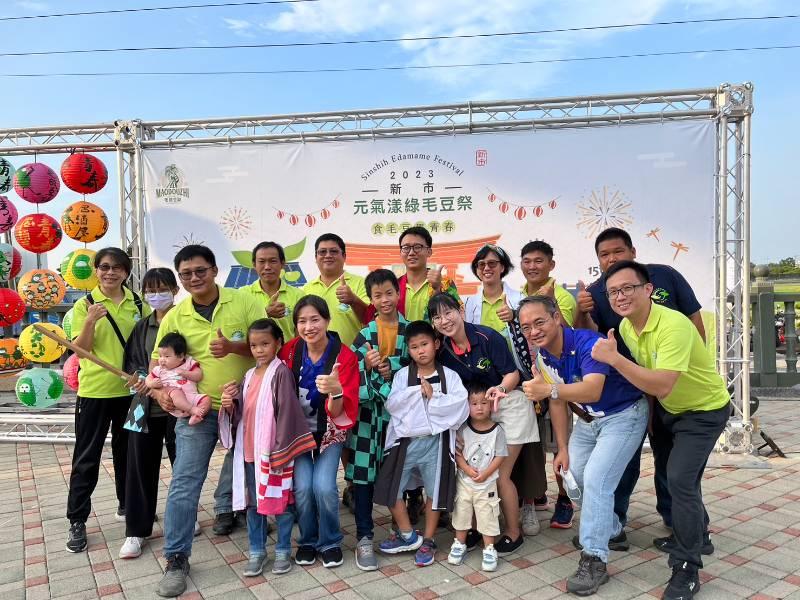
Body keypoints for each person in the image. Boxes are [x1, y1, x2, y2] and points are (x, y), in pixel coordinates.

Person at [590, 260, 729, 600]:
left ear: (648, 290)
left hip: (704, 411)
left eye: (628, 288)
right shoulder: (625, 328)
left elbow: (663, 384)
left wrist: (615, 360)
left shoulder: (674, 325)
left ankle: (686, 568)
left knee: (680, 479)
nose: (620, 296)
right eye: (613, 292)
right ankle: (699, 536)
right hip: (671, 412)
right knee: (680, 477)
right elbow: (650, 382)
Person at [574, 227, 706, 532]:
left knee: (671, 457)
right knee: (624, 459)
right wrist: (582, 312)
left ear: (633, 252)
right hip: (628, 390)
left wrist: (684, 368)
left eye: (617, 251)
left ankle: (680, 522)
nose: (611, 259)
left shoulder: (665, 276)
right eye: (604, 255)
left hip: (672, 384)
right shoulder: (595, 292)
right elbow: (591, 341)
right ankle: (614, 522)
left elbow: (695, 323)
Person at [153, 245, 265, 598]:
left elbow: (268, 345)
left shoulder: (243, 301)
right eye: (186, 274)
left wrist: (234, 349)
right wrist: (162, 395)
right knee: (185, 480)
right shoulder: (175, 316)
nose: (194, 278)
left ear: (215, 269)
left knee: (255, 472)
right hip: (197, 411)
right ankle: (175, 558)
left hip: (247, 404)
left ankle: (264, 545)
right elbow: (158, 367)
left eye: (200, 271)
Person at [519, 296, 648, 596]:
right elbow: (558, 403)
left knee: (596, 481)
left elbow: (592, 389)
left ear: (556, 318)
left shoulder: (589, 343)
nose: (533, 331)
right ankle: (611, 528)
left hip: (623, 416)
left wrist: (547, 388)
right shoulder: (541, 358)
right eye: (526, 327)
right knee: (573, 478)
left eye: (539, 322)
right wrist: (562, 447)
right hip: (588, 423)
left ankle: (594, 559)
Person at [428, 292, 536, 555]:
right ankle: (479, 528)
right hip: (476, 412)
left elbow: (512, 373)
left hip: (509, 404)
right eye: (437, 317)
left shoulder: (488, 337)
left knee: (500, 475)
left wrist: (499, 389)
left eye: (448, 312)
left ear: (461, 310)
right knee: (473, 475)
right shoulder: (442, 353)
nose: (444, 320)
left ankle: (513, 532)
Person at [66, 247, 149, 553]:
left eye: (117, 267)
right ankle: (77, 520)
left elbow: (148, 344)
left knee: (129, 455)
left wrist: (145, 376)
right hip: (95, 393)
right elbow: (81, 349)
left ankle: (127, 506)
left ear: (126, 272)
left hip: (132, 394)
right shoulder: (84, 304)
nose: (110, 272)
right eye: (104, 267)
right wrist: (89, 321)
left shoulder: (138, 303)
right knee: (86, 458)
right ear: (96, 270)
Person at [221, 319, 316, 577]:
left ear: (278, 343)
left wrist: (280, 450)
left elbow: (287, 412)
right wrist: (229, 402)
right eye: (253, 345)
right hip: (250, 452)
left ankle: (284, 549)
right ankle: (256, 550)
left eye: (265, 344)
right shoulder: (249, 375)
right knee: (254, 503)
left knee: (281, 503)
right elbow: (241, 411)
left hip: (273, 453)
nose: (259, 350)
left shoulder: (281, 372)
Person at [375, 320, 469, 567]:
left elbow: (461, 406)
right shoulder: (402, 376)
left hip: (436, 443)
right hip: (405, 443)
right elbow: (393, 406)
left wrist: (433, 396)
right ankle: (407, 535)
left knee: (434, 491)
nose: (421, 351)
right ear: (408, 350)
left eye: (425, 344)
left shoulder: (450, 376)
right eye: (414, 346)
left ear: (436, 344)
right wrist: (417, 394)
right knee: (390, 486)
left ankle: (428, 539)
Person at [463, 243, 541, 536]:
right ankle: (485, 516)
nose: (487, 268)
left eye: (493, 263)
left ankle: (529, 503)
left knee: (526, 449)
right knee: (489, 453)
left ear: (504, 267)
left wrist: (516, 324)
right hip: (483, 388)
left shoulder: (520, 300)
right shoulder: (469, 304)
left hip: (519, 383)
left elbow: (536, 341)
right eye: (481, 264)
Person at [278, 295, 359, 568]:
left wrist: (335, 390)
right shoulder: (290, 351)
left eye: (315, 319)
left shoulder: (344, 357)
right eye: (302, 321)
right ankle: (309, 541)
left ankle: (331, 540)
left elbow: (338, 412)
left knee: (323, 487)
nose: (309, 326)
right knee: (302, 488)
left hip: (329, 433)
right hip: (298, 434)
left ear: (326, 320)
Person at [119, 268, 189, 560]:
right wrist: (149, 385)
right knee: (139, 469)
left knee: (183, 468)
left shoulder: (185, 320)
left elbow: (193, 361)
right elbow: (133, 365)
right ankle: (136, 530)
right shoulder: (141, 326)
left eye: (161, 289)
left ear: (174, 289)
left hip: (180, 408)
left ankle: (186, 518)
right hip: (144, 408)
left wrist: (173, 390)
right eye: (150, 290)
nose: (155, 295)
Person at [347, 269, 409, 571]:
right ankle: (364, 537)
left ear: (398, 294)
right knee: (362, 480)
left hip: (400, 420)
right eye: (377, 295)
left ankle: (403, 531)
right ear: (370, 299)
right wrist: (369, 367)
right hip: (367, 419)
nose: (384, 300)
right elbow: (350, 372)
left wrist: (389, 368)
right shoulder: (364, 333)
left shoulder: (411, 331)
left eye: (389, 293)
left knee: (401, 475)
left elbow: (417, 365)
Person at [519, 240, 578, 529]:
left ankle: (565, 499)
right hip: (529, 384)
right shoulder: (517, 296)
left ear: (551, 264)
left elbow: (567, 332)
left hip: (556, 382)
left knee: (559, 445)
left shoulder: (561, 297)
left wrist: (552, 302)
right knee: (534, 446)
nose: (532, 266)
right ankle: (537, 494)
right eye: (527, 261)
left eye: (539, 261)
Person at [448, 382, 507, 573]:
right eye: (474, 403)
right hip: (464, 481)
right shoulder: (462, 429)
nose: (479, 407)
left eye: (483, 402)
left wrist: (487, 473)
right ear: (467, 406)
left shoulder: (497, 430)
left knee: (487, 514)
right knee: (462, 511)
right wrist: (466, 468)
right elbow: (457, 454)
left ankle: (489, 548)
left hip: (487, 483)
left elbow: (500, 455)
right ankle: (460, 543)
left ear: (491, 405)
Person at [302, 233, 369, 347]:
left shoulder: (361, 283)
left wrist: (353, 300)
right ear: (316, 258)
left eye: (333, 251)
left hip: (353, 357)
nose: (328, 255)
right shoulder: (305, 289)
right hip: (316, 359)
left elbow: (370, 319)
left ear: (344, 256)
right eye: (322, 252)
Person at [390, 225, 460, 322]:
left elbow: (458, 316)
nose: (411, 253)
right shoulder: (393, 287)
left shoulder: (445, 283)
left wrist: (438, 290)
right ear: (401, 252)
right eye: (406, 248)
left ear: (429, 252)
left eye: (417, 247)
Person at [240, 241, 304, 342]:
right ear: (254, 265)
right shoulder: (242, 294)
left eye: (273, 261)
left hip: (288, 356)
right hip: (254, 357)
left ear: (282, 263)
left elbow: (301, 332)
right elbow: (240, 329)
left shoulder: (298, 295)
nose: (267, 267)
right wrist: (266, 313)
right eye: (261, 261)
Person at [146, 333, 211, 425]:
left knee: (207, 399)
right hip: (174, 402)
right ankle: (191, 410)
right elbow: (148, 379)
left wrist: (186, 373)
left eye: (167, 356)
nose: (162, 360)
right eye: (160, 356)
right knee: (176, 392)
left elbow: (198, 375)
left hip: (191, 397)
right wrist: (152, 384)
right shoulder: (159, 369)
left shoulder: (188, 363)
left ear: (181, 356)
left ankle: (196, 416)